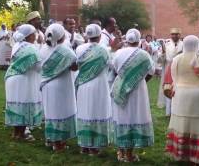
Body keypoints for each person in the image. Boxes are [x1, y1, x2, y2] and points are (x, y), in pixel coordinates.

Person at [165, 35, 199, 165]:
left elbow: (174, 78)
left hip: (182, 95)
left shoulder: (177, 59)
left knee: (182, 122)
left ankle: (182, 153)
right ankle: (198, 154)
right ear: (197, 44)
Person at [111, 28, 155, 162]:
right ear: (138, 39)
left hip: (120, 88)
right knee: (134, 117)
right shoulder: (143, 54)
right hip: (138, 90)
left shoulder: (118, 53)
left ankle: (121, 152)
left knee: (122, 118)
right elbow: (151, 72)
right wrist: (138, 80)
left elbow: (114, 70)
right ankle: (129, 155)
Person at [75, 24, 112, 155]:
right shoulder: (104, 50)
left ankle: (84, 145)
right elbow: (110, 65)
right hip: (99, 85)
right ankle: (95, 146)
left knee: (85, 111)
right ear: (100, 35)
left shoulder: (79, 49)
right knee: (97, 112)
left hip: (83, 85)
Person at [40, 24, 77, 151]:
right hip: (61, 84)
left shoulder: (43, 49)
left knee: (50, 112)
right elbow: (74, 67)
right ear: (62, 36)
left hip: (46, 84)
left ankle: (50, 139)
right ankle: (59, 143)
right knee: (61, 112)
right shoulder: (66, 50)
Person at [4, 24, 42, 140]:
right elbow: (39, 67)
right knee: (24, 105)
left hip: (12, 78)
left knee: (17, 106)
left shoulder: (17, 45)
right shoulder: (31, 48)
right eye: (34, 33)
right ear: (29, 35)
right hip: (23, 80)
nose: (35, 35)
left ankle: (16, 133)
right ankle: (21, 134)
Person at [160, 28, 183, 116]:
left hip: (179, 69)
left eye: (176, 34)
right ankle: (168, 112)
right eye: (172, 34)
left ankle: (178, 110)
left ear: (179, 35)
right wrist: (162, 54)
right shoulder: (166, 45)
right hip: (168, 69)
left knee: (178, 88)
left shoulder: (183, 45)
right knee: (168, 88)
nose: (174, 36)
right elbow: (161, 60)